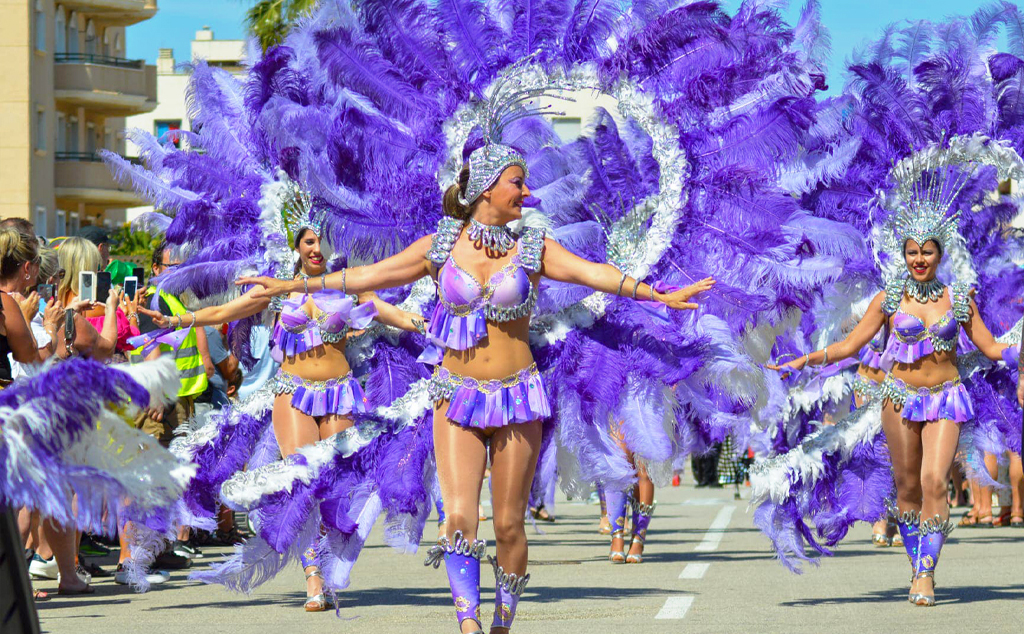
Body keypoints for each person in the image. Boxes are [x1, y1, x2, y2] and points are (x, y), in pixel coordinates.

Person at [239, 141, 713, 632]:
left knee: (508, 524)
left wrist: (657, 294)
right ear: (487, 187)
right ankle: (469, 626)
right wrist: (291, 288)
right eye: (517, 182)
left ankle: (503, 625)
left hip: (518, 395)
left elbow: (594, 274)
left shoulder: (533, 246)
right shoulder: (440, 246)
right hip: (456, 395)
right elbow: (365, 276)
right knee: (460, 517)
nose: (526, 193)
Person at [143, 214, 427, 611]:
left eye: (320, 242)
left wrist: (439, 324)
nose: (315, 249)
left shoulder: (349, 285)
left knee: (335, 486)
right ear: (297, 246)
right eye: (308, 242)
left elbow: (394, 315)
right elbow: (227, 312)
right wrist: (177, 320)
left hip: (340, 393)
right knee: (302, 480)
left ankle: (329, 564)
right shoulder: (280, 289)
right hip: (293, 394)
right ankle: (313, 576)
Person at [772, 174, 1018, 606]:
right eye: (911, 252)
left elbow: (991, 347)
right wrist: (804, 360)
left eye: (926, 252)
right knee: (906, 489)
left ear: (939, 253)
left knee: (933, 481)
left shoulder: (960, 298)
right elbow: (850, 347)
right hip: (899, 399)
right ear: (903, 255)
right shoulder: (887, 300)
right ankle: (916, 560)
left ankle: (925, 574)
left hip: (946, 398)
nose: (919, 259)